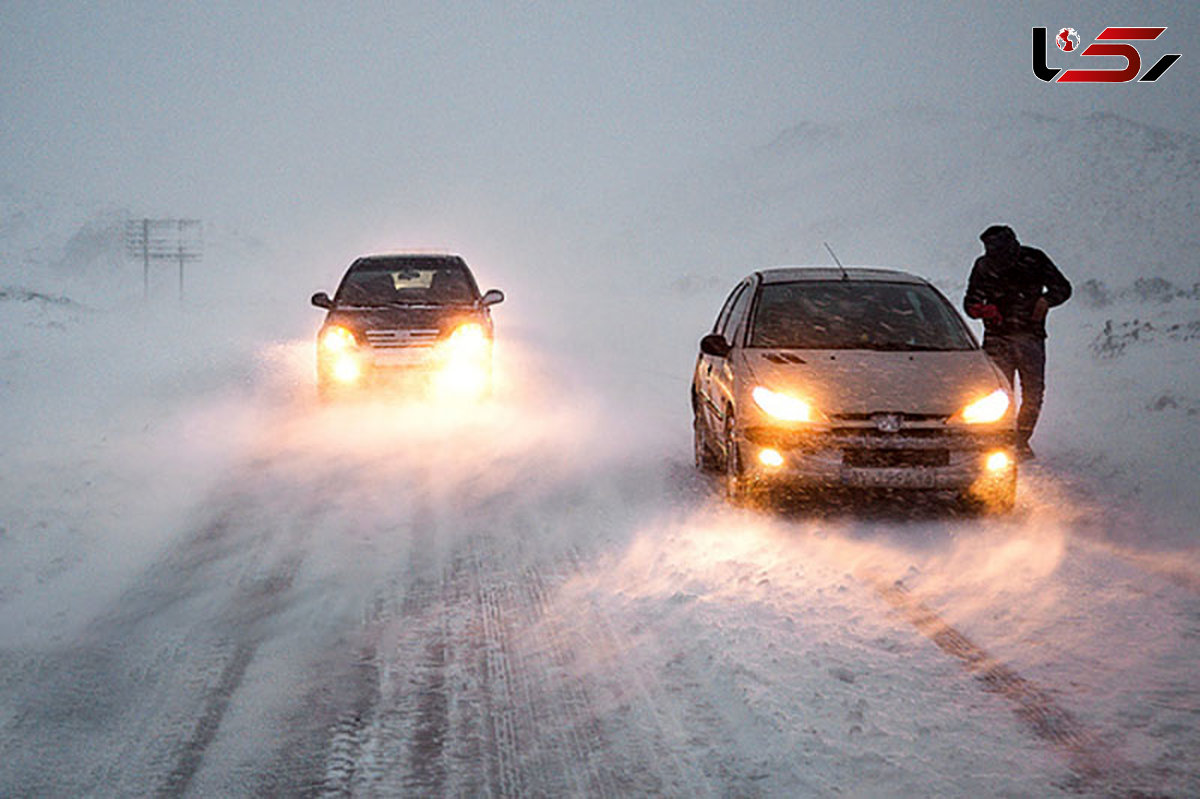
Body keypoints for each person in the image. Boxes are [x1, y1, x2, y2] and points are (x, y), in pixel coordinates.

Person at [963, 225, 1072, 460]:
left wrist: (1045, 301)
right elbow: (970, 303)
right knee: (999, 394)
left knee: (1031, 393)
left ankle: (1019, 441)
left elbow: (1063, 288)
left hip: (1029, 337)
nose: (996, 254)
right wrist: (984, 310)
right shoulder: (984, 266)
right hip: (998, 339)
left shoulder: (1034, 259)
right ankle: (1002, 441)